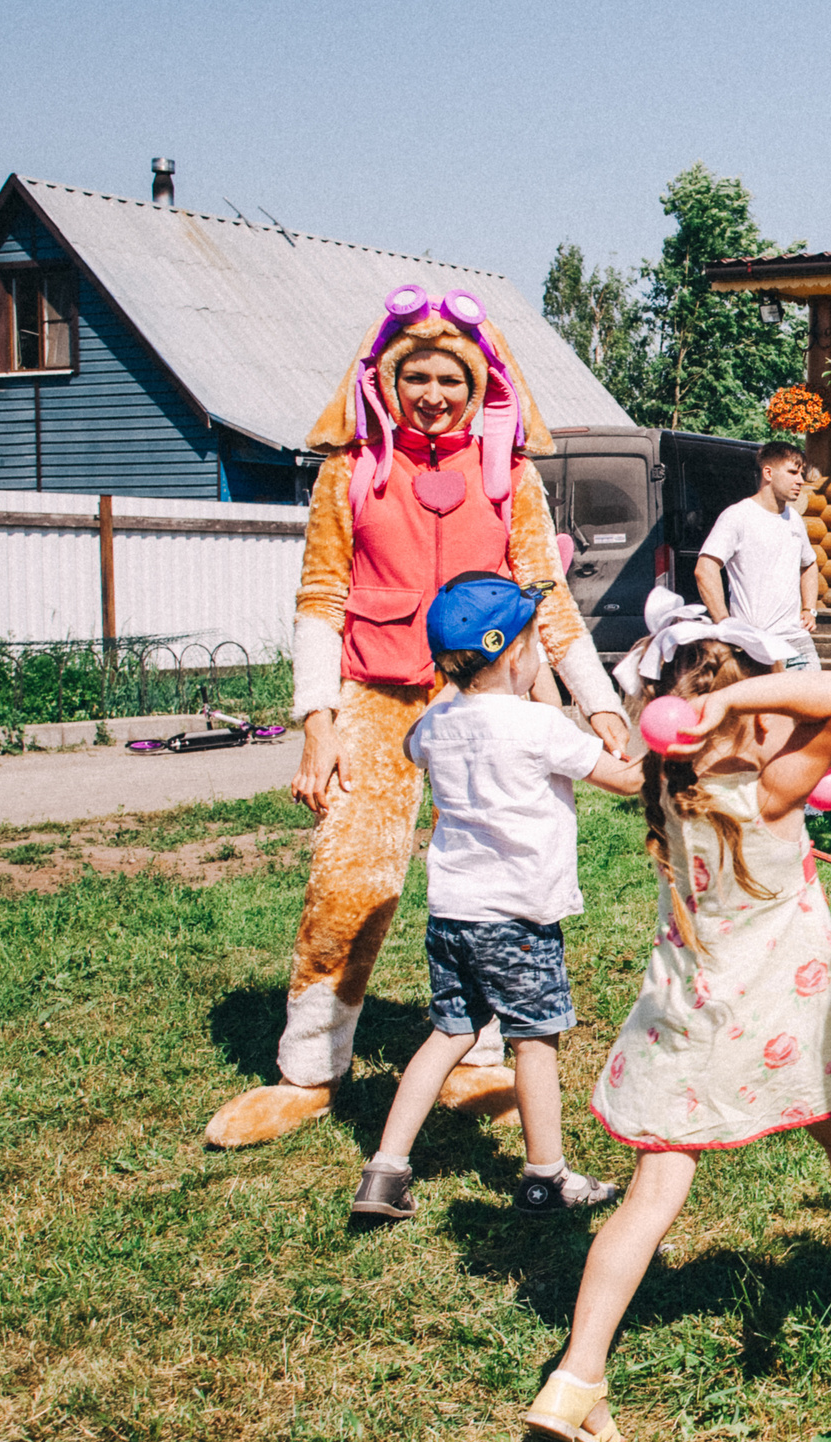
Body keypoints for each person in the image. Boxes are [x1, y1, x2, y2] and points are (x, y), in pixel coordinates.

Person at [205, 288, 629, 1149]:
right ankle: (308, 1069)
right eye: (417, 376)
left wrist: (602, 704)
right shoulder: (347, 474)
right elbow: (320, 599)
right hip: (374, 693)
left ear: (479, 388)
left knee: (502, 873)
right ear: (387, 381)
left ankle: (480, 1058)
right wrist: (317, 722)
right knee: (352, 880)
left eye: (451, 378)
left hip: (488, 700)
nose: (434, 394)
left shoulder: (511, 478)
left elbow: (547, 599)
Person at [524, 623, 831, 1442]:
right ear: (750, 717)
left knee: (652, 1193)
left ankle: (576, 1376)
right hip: (790, 1018)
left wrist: (709, 706)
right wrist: (739, 696)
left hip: (690, 1020)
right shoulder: (774, 789)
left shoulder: (667, 785)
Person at [352, 573, 642, 1221]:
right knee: (534, 1042)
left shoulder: (436, 723)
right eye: (535, 642)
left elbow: (412, 743)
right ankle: (545, 1177)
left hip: (453, 916)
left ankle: (384, 1171)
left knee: (448, 1033)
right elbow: (626, 780)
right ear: (515, 654)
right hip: (518, 922)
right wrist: (683, 750)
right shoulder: (538, 726)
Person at [697, 441, 820, 670]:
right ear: (768, 473)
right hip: (755, 644)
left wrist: (809, 609)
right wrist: (724, 624)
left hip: (797, 641)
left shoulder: (794, 519)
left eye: (801, 473)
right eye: (792, 472)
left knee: (820, 693)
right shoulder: (738, 516)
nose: (800, 480)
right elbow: (705, 569)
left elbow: (809, 564)